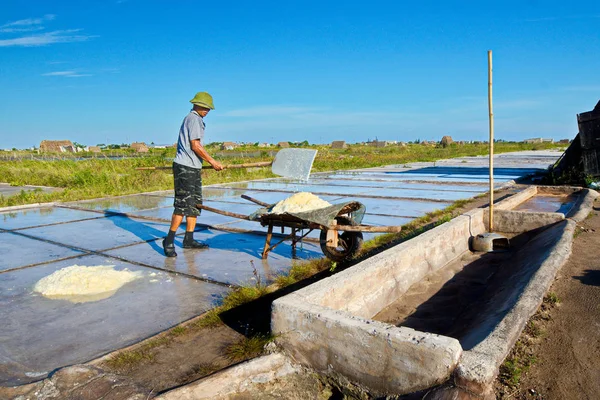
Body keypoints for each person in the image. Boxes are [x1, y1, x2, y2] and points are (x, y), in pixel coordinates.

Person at [163, 91, 224, 257]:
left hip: (193, 167)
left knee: (195, 204)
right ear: (197, 105)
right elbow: (195, 145)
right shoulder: (194, 119)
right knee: (182, 205)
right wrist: (213, 161)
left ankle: (189, 239)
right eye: (205, 107)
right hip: (185, 167)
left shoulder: (198, 120)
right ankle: (169, 240)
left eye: (209, 108)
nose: (207, 111)